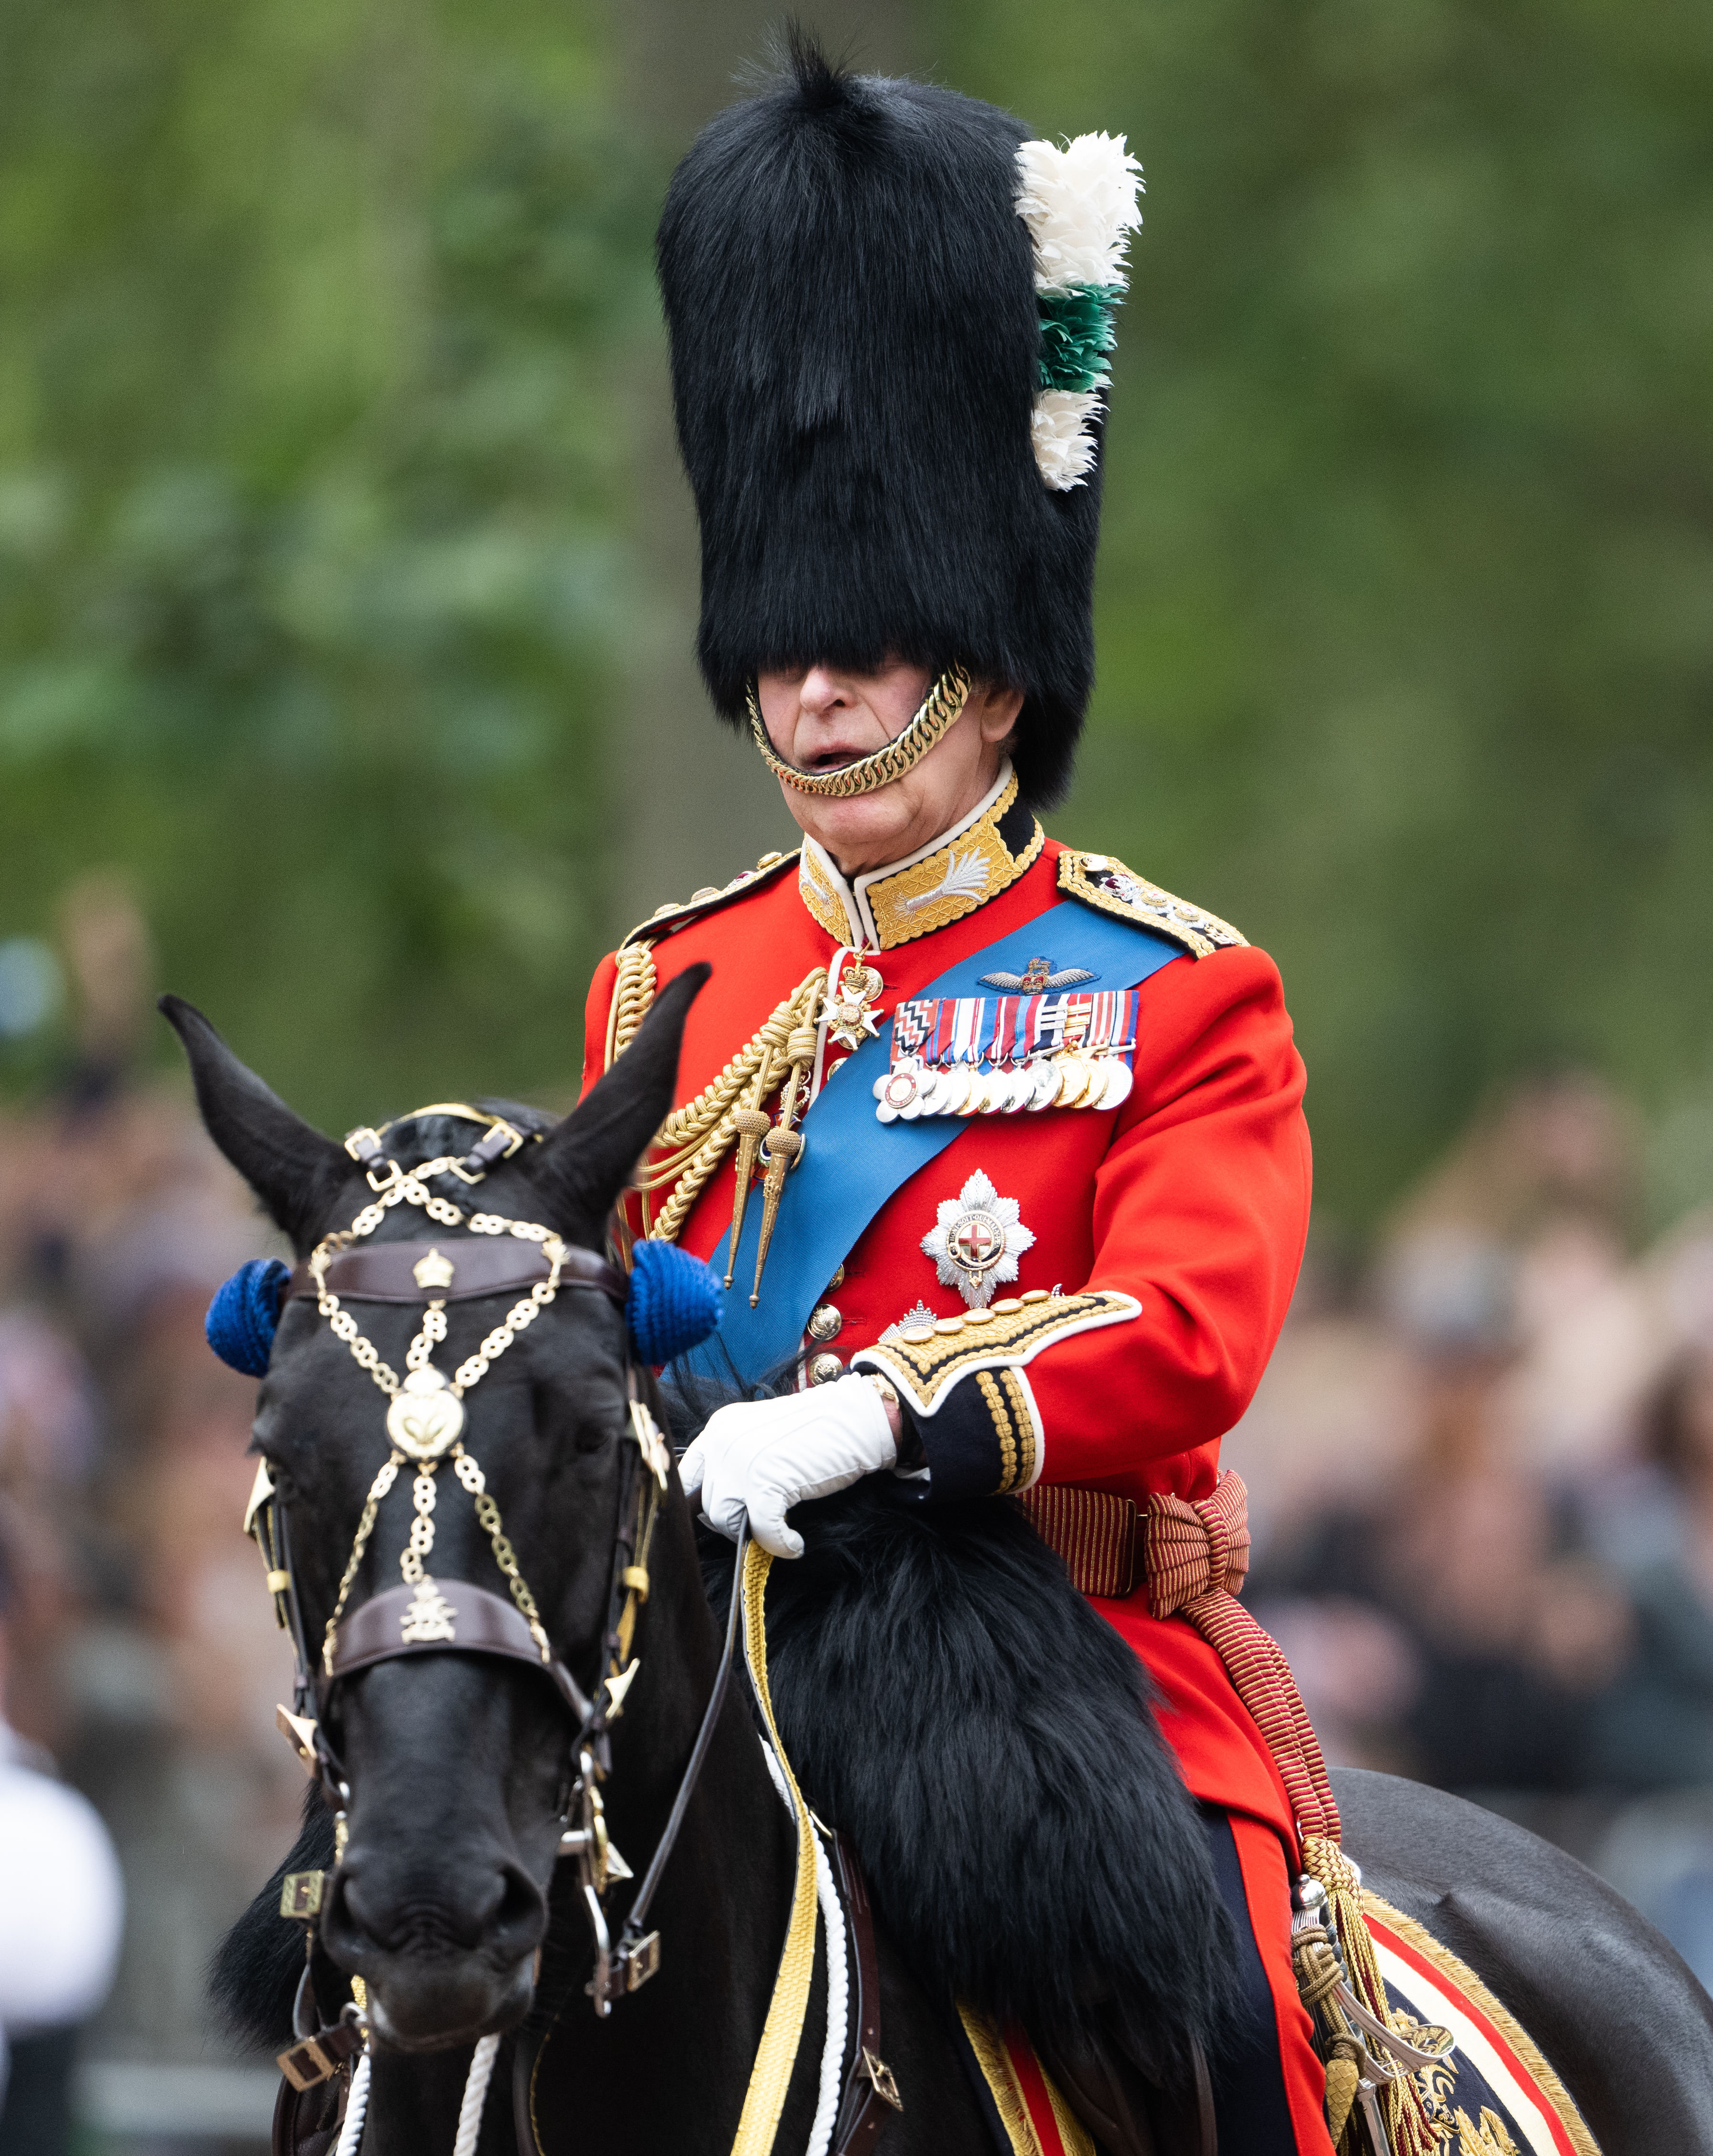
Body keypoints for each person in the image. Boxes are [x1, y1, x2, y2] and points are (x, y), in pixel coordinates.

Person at [581, 37, 1336, 2155]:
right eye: (779, 651)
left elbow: (1185, 1338)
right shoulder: (671, 978)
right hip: (712, 1666)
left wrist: (897, 1412)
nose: (809, 692)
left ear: (989, 663)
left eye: (867, 644)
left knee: (1222, 2029)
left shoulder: (1174, 991)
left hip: (1048, 1664)